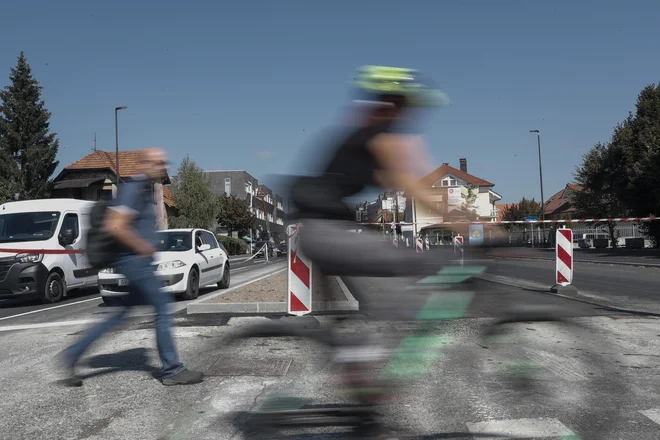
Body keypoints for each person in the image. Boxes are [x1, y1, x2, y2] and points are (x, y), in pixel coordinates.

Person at [58, 147, 204, 387]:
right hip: (134, 261)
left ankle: (73, 355)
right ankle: (172, 370)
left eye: (163, 163)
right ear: (144, 164)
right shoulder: (132, 189)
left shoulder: (143, 191)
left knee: (119, 316)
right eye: (158, 163)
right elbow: (115, 226)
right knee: (163, 307)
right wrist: (143, 246)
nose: (162, 168)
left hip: (137, 262)